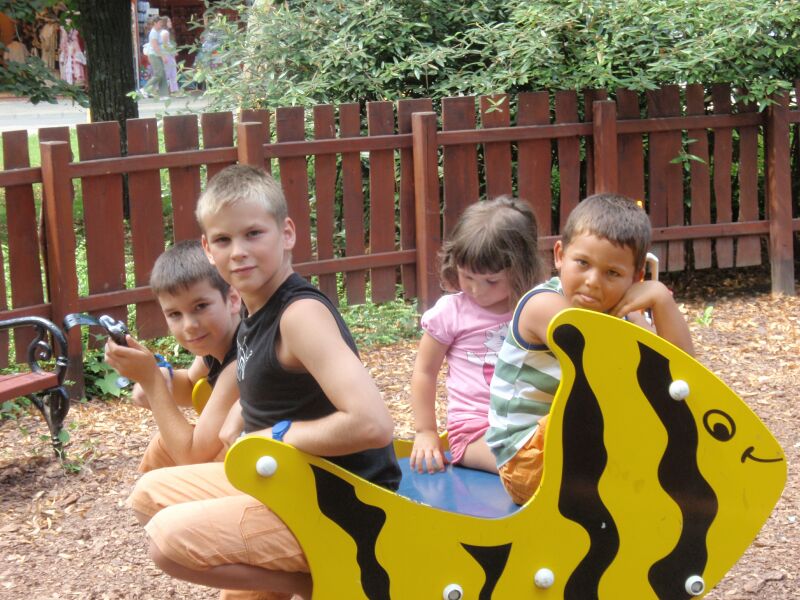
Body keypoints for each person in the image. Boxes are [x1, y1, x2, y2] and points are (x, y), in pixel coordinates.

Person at [127, 165, 401, 600]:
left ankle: (327, 582)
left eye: (253, 234)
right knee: (147, 496)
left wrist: (275, 435)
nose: (238, 252)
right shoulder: (256, 313)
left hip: (340, 504)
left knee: (168, 542)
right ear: (208, 249)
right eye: (223, 240)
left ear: (286, 233)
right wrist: (244, 412)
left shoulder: (299, 316)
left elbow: (373, 424)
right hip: (283, 483)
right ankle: (297, 581)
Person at [486, 193, 694, 505]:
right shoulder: (544, 305)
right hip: (527, 460)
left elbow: (681, 376)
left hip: (578, 457)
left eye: (613, 273)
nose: (593, 281)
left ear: (636, 278)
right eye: (582, 263)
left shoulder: (625, 314)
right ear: (560, 255)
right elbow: (604, 360)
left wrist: (662, 299)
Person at [409, 196, 545, 474]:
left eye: (491, 281)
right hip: (475, 431)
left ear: (521, 269)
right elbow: (424, 372)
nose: (476, 289)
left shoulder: (537, 306)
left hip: (532, 424)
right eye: (467, 276)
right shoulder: (451, 313)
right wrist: (425, 431)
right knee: (530, 470)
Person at [105, 240, 241, 472]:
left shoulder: (243, 359)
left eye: (200, 306)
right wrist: (160, 375)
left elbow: (192, 455)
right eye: (175, 314)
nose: (189, 325)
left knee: (155, 482)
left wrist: (151, 381)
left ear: (233, 300)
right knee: (161, 448)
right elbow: (191, 385)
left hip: (281, 472)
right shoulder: (217, 346)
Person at [142, 16, 169, 100]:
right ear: (155, 23)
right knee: (159, 74)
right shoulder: (153, 33)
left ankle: (164, 94)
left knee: (162, 74)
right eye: (160, 23)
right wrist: (163, 56)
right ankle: (145, 89)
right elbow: (155, 47)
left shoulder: (157, 32)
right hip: (154, 55)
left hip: (157, 55)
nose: (161, 24)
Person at [160, 17, 180, 95]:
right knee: (171, 73)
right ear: (165, 23)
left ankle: (171, 90)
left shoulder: (162, 32)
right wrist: (173, 52)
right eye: (169, 21)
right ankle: (173, 90)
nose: (171, 23)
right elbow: (165, 45)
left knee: (170, 72)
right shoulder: (165, 32)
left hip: (167, 54)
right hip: (167, 55)